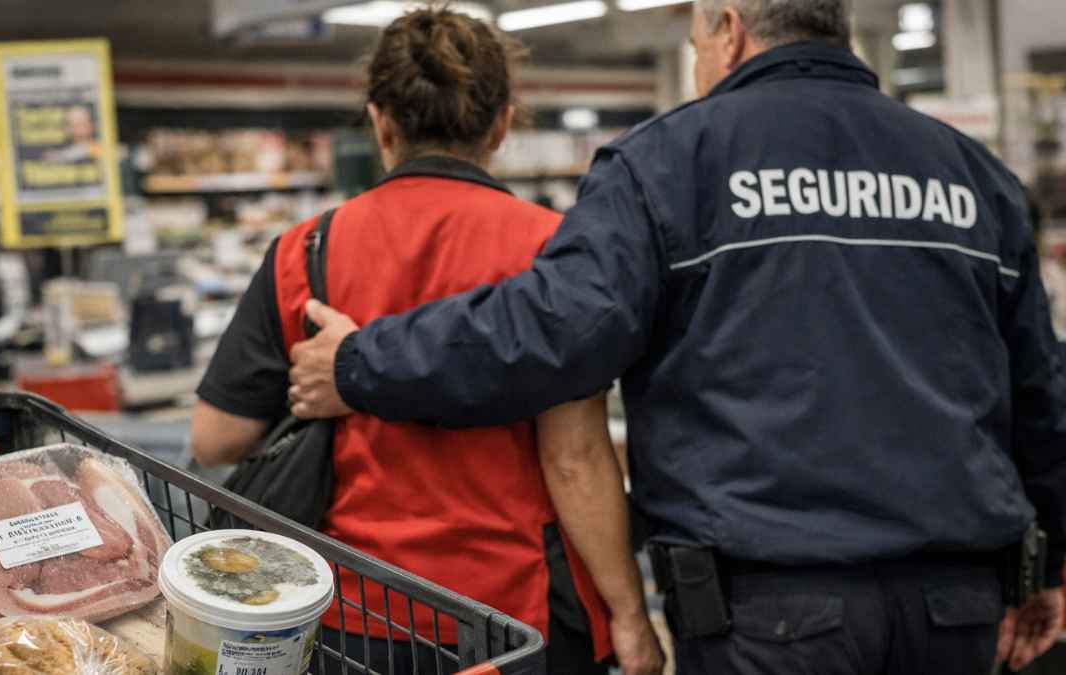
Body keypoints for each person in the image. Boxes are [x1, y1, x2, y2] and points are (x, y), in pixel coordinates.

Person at [287, 1, 1066, 673]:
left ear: (728, 30)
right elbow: (1042, 396)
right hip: (957, 607)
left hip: (771, 614)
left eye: (695, 44)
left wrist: (358, 361)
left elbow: (546, 332)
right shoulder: (972, 175)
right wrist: (1052, 563)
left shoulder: (668, 163)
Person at [188, 8, 663, 675]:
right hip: (510, 618)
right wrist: (630, 613)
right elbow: (575, 458)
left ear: (380, 121)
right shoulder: (553, 250)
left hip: (352, 611)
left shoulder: (305, 252)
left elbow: (216, 439)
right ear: (502, 124)